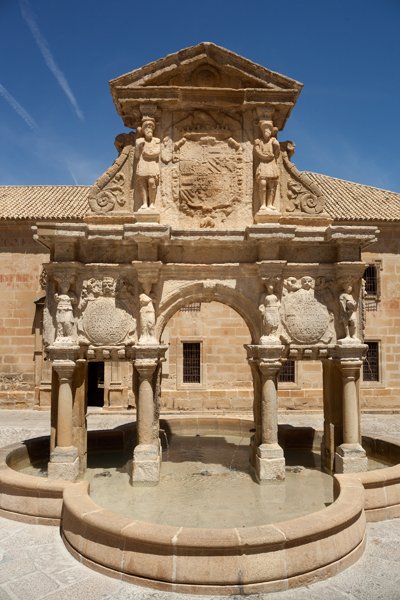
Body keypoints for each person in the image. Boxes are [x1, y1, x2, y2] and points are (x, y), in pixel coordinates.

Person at [254, 120, 280, 210]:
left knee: (271, 185)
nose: (266, 132)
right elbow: (258, 152)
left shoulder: (273, 141)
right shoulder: (259, 141)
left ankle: (270, 204)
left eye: (268, 130)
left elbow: (277, 154)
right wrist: (265, 156)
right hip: (263, 163)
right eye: (265, 130)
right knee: (262, 183)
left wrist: (277, 145)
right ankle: (263, 204)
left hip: (271, 164)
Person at [135, 118, 160, 209]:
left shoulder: (156, 141)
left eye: (151, 128)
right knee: (142, 183)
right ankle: (145, 203)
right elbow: (137, 156)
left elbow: (157, 152)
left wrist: (148, 154)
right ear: (143, 131)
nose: (149, 129)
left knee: (151, 182)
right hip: (142, 164)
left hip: (152, 164)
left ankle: (152, 203)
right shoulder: (139, 141)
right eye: (146, 128)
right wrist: (138, 147)